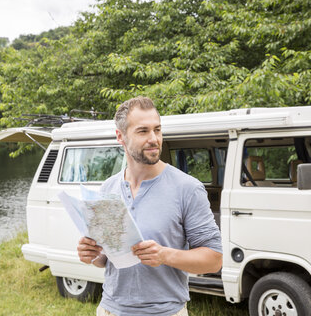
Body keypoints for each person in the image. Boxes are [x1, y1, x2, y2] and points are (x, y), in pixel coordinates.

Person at [77, 96, 222, 316]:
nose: (154, 139)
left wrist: (164, 255)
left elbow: (214, 260)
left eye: (157, 130)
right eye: (143, 131)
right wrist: (92, 254)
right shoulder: (108, 187)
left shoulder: (188, 188)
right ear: (121, 137)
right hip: (110, 310)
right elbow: (106, 261)